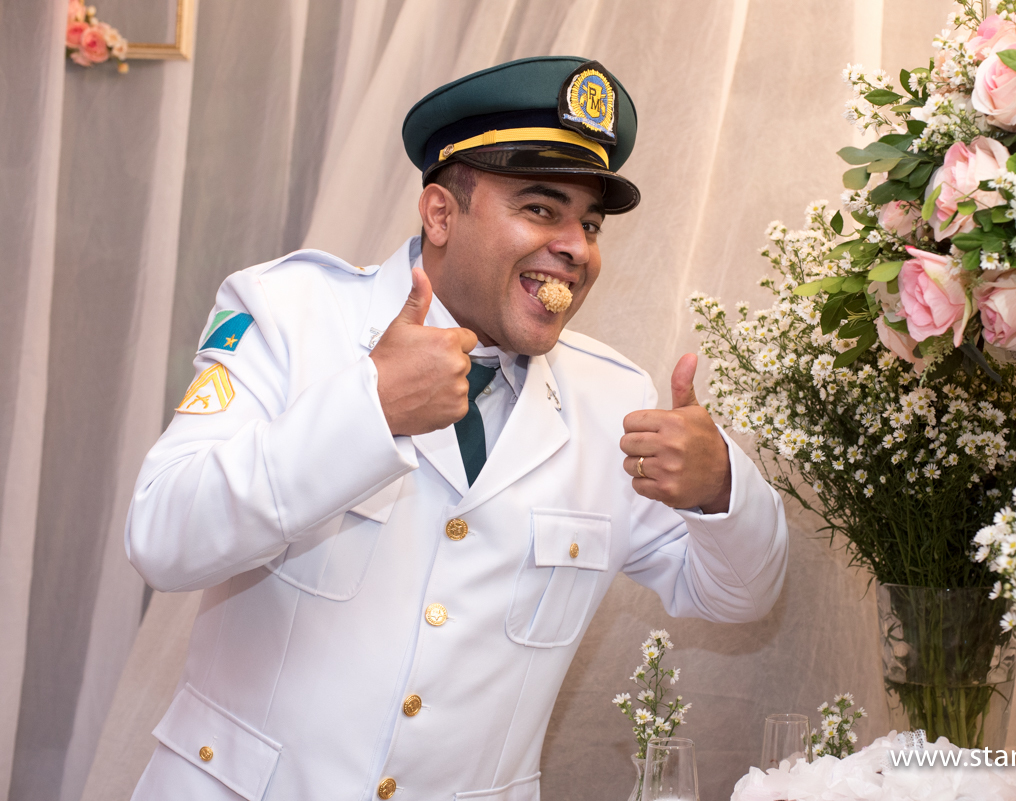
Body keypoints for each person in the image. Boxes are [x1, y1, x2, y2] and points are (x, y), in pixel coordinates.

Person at [125, 56, 787, 801]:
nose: (577, 245)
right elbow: (161, 537)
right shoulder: (291, 314)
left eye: (590, 224)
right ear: (440, 213)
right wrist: (367, 408)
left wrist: (722, 486)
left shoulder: (614, 398)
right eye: (542, 209)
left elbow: (740, 595)